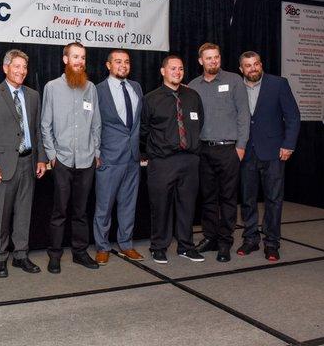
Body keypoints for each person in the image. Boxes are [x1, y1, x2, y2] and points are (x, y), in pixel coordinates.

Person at [0, 49, 47, 278]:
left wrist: (41, 158)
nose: (21, 71)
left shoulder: (33, 95)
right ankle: (0, 258)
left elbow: (37, 130)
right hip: (2, 165)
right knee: (1, 215)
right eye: (16, 66)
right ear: (5, 68)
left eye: (24, 67)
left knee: (23, 213)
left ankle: (20, 255)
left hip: (28, 162)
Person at [41, 42, 101, 274]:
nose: (79, 61)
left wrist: (96, 152)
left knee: (81, 210)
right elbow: (45, 125)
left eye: (83, 58)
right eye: (75, 57)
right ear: (65, 59)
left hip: (87, 160)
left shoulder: (91, 88)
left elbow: (96, 124)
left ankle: (79, 252)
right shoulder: (52, 87)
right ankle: (54, 254)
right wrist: (53, 155)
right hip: (63, 160)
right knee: (59, 211)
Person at [188, 43, 250, 262]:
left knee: (228, 198)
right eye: (208, 58)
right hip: (203, 151)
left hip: (229, 150)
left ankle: (225, 242)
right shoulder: (192, 86)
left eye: (216, 57)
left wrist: (240, 147)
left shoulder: (234, 81)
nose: (213, 61)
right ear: (200, 61)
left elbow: (244, 116)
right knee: (208, 198)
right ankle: (210, 238)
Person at [140, 55, 205, 264]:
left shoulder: (193, 96)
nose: (177, 72)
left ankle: (186, 246)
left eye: (180, 69)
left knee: (187, 206)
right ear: (163, 71)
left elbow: (199, 122)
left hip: (189, 161)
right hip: (162, 162)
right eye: (173, 69)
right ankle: (158, 246)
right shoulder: (151, 98)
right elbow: (143, 130)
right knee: (161, 206)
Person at [237, 51, 300, 261]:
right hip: (245, 152)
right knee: (247, 199)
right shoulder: (236, 87)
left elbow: (292, 116)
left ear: (261, 64)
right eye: (248, 65)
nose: (252, 68)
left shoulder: (278, 84)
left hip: (274, 152)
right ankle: (251, 239)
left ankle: (272, 243)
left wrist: (288, 144)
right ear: (241, 69)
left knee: (273, 199)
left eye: (256, 64)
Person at [93, 49, 144, 265]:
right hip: (108, 157)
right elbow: (93, 125)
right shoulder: (98, 91)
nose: (123, 65)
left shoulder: (136, 87)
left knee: (128, 204)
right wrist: (96, 152)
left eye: (126, 62)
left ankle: (126, 244)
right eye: (118, 61)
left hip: (133, 157)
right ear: (108, 65)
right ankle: (102, 246)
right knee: (104, 206)